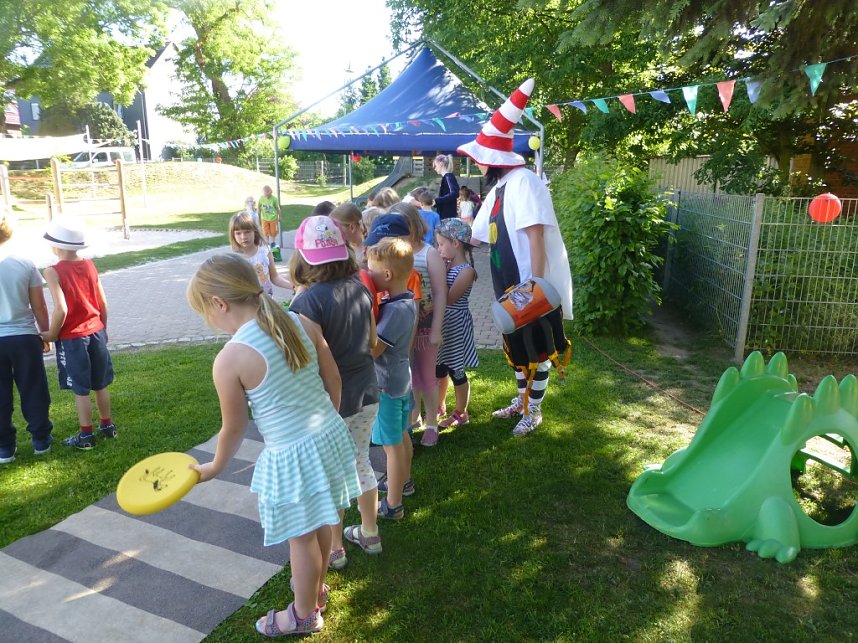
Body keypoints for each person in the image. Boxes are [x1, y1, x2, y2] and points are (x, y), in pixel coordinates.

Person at [186, 253, 361, 637]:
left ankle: (302, 615)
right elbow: (333, 378)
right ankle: (314, 591)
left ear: (219, 303)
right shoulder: (298, 321)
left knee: (301, 538)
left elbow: (233, 428)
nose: (210, 319)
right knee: (321, 524)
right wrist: (324, 424)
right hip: (329, 434)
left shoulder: (231, 357)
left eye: (206, 311)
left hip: (293, 454)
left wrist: (213, 467)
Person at [457, 78, 574, 437]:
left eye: (479, 159)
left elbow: (536, 236)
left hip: (528, 289)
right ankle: (520, 401)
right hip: (507, 287)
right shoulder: (501, 189)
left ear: (491, 160)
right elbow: (473, 233)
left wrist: (534, 290)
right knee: (517, 347)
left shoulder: (525, 182)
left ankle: (533, 410)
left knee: (537, 350)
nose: (477, 165)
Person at [288, 215, 381, 569]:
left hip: (329, 401)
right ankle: (370, 532)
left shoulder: (305, 304)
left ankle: (335, 548)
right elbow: (373, 343)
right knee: (360, 462)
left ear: (303, 257)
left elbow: (300, 360)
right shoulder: (360, 288)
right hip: (367, 392)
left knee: (331, 475)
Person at [41, 218, 117, 449]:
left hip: (73, 338)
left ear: (57, 247)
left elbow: (61, 309)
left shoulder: (52, 272)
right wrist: (103, 328)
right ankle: (107, 426)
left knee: (81, 388)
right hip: (96, 332)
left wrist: (51, 334)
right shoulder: (90, 265)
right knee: (100, 383)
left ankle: (86, 436)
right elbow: (103, 302)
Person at [385, 203, 446, 447]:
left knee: (426, 376)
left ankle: (432, 422)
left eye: (401, 227)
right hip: (401, 329)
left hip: (425, 327)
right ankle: (415, 416)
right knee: (408, 376)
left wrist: (437, 329)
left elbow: (441, 293)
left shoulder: (429, 253)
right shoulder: (394, 253)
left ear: (413, 225)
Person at [364, 237, 417, 519]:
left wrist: (364, 314)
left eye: (370, 270)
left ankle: (393, 504)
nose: (367, 275)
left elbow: (375, 350)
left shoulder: (396, 310)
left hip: (387, 385)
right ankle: (404, 482)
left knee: (391, 446)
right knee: (402, 435)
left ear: (386, 275)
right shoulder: (404, 301)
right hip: (400, 380)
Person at [0, 210, 53, 463]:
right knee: (33, 389)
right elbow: (39, 306)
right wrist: (46, 333)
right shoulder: (25, 263)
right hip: (24, 338)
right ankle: (41, 440)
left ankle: (4, 448)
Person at [434, 219, 479, 430]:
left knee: (456, 371)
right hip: (441, 323)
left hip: (455, 325)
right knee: (439, 368)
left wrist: (439, 272)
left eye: (441, 244)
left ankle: (461, 412)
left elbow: (449, 298)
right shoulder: (446, 264)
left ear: (456, 244)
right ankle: (439, 404)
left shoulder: (466, 271)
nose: (438, 249)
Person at [228, 212, 293, 296]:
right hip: (247, 304)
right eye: (238, 233)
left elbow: (275, 278)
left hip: (267, 300)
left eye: (247, 232)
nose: (243, 237)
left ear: (254, 231)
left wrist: (294, 286)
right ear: (233, 235)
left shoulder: (265, 251)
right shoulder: (234, 259)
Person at [432, 154, 460, 220]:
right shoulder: (446, 177)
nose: (434, 168)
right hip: (445, 216)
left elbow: (455, 193)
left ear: (441, 164)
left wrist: (437, 201)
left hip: (447, 216)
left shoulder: (448, 177)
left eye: (435, 165)